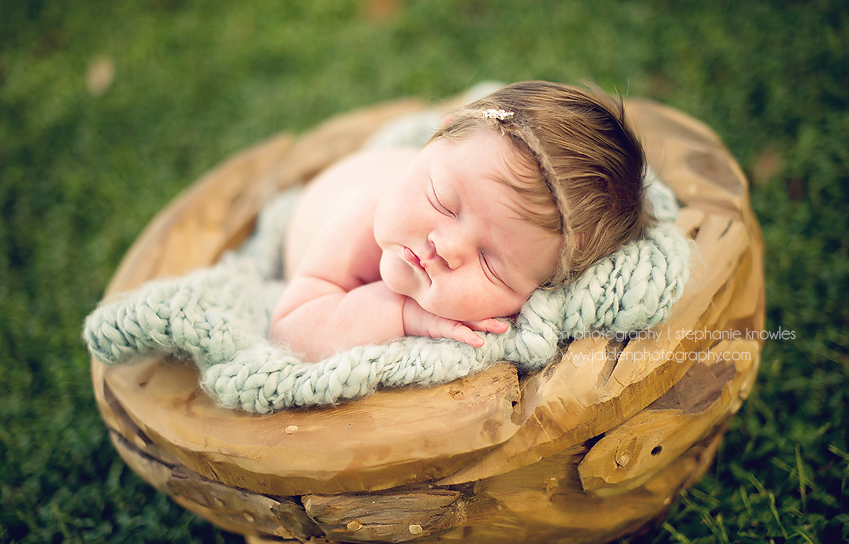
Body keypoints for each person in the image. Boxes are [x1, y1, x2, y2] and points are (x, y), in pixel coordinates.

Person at [269, 81, 652, 362]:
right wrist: (402, 314)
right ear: (434, 138)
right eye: (443, 202)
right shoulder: (359, 219)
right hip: (330, 196)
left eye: (490, 262)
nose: (446, 247)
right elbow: (290, 328)